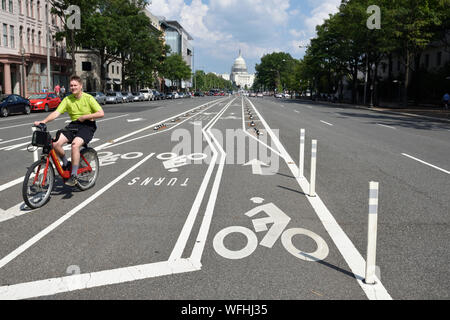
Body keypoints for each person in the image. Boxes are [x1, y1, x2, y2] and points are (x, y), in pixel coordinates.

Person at [34, 75, 104, 186]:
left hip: (87, 125)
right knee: (55, 143)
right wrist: (44, 121)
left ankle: (74, 174)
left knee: (75, 145)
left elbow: (101, 113)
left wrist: (85, 116)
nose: (73, 87)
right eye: (71, 85)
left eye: (75, 85)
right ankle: (66, 163)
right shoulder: (67, 99)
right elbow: (56, 113)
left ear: (81, 86)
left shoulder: (88, 98)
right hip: (74, 125)